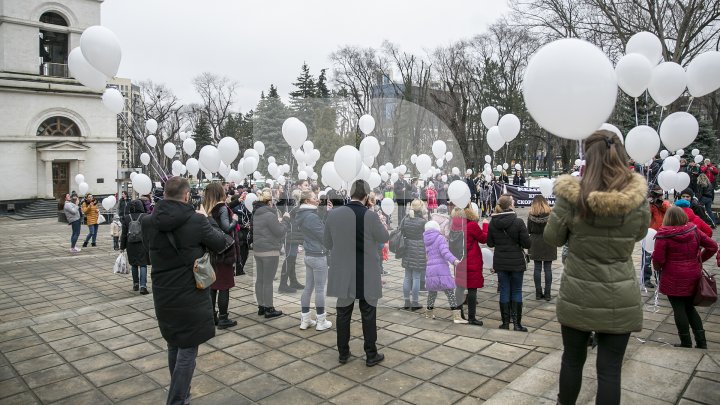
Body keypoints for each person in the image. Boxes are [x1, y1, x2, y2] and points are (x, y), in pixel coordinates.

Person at [544, 130, 650, 405]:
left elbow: (552, 238)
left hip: (578, 293)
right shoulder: (636, 198)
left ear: (588, 157)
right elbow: (638, 234)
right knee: (610, 371)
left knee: (572, 362)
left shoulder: (572, 196)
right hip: (620, 294)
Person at [140, 176, 232, 405]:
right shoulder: (196, 221)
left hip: (163, 292)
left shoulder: (148, 221)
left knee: (174, 343)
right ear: (186, 195)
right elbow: (223, 242)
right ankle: (177, 399)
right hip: (190, 291)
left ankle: (183, 394)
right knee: (188, 350)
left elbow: (147, 249)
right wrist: (206, 219)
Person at [324, 180, 389, 366]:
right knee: (368, 314)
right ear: (366, 196)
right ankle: (371, 354)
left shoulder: (334, 214)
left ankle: (343, 353)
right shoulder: (370, 215)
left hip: (342, 271)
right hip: (366, 271)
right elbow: (384, 237)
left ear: (351, 194)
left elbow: (327, 243)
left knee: (343, 313)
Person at [653, 206, 716, 349]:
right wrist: (699, 259)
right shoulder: (693, 230)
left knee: (679, 309)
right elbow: (712, 246)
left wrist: (657, 267)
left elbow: (659, 260)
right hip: (693, 274)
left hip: (672, 276)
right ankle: (701, 342)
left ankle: (686, 342)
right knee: (690, 307)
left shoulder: (663, 235)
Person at [487, 195, 531, 331]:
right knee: (516, 290)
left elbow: (490, 242)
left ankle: (505, 323)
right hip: (516, 261)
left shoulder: (493, 222)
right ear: (510, 205)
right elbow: (527, 243)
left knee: (505, 290)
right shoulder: (518, 222)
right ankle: (517, 324)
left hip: (500, 261)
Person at [203, 183, 239, 329]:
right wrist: (235, 219)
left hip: (211, 251)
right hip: (224, 251)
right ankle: (223, 318)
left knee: (213, 285)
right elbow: (226, 227)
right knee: (224, 285)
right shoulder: (222, 208)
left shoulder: (207, 209)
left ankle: (212, 316)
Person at [296, 190, 333, 331]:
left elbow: (318, 226)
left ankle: (305, 320)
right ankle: (321, 321)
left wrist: (326, 212)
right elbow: (323, 234)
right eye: (313, 197)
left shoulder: (305, 214)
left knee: (308, 288)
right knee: (319, 289)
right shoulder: (311, 216)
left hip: (309, 254)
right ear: (307, 201)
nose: (317, 199)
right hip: (317, 255)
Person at [252, 188, 291, 319]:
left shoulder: (257, 214)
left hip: (258, 251)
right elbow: (280, 232)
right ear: (269, 202)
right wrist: (285, 220)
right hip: (269, 252)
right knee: (268, 281)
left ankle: (261, 307)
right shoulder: (270, 215)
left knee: (260, 280)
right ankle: (269, 308)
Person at [451, 205, 489, 325]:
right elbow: (483, 239)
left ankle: (458, 315)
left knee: (460, 288)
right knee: (472, 289)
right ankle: (472, 318)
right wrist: (486, 226)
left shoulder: (454, 225)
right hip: (472, 261)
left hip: (459, 260)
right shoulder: (471, 225)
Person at [423, 220, 465, 323]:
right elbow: (445, 252)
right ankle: (456, 317)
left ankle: (429, 313)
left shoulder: (425, 239)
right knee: (450, 292)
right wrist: (454, 261)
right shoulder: (440, 238)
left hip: (430, 269)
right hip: (441, 269)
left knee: (432, 293)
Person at [527, 195, 556, 301]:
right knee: (548, 269)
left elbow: (528, 230)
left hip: (535, 243)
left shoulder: (531, 215)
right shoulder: (551, 214)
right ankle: (547, 293)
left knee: (537, 268)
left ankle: (538, 293)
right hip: (549, 242)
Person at [400, 199, 427, 310]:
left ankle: (407, 302)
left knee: (407, 277)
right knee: (416, 277)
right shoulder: (423, 221)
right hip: (419, 249)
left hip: (407, 247)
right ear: (420, 208)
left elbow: (401, 230)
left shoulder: (406, 218)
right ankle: (415, 302)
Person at [643, 186, 670, 289]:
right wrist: (649, 203)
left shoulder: (664, 204)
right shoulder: (649, 205)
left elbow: (668, 210)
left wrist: (660, 203)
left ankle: (660, 279)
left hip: (662, 235)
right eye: (655, 194)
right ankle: (646, 279)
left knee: (661, 258)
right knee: (647, 259)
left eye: (659, 194)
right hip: (649, 234)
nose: (657, 197)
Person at [279, 189, 305, 293]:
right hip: (290, 235)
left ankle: (293, 281)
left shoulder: (292, 205)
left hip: (292, 235)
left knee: (292, 259)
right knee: (289, 259)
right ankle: (283, 284)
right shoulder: (294, 206)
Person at [121, 200, 150, 294]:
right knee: (143, 264)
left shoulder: (126, 218)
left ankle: (135, 284)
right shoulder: (145, 216)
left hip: (130, 244)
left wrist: (122, 247)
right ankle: (143, 286)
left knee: (134, 264)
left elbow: (124, 234)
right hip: (142, 244)